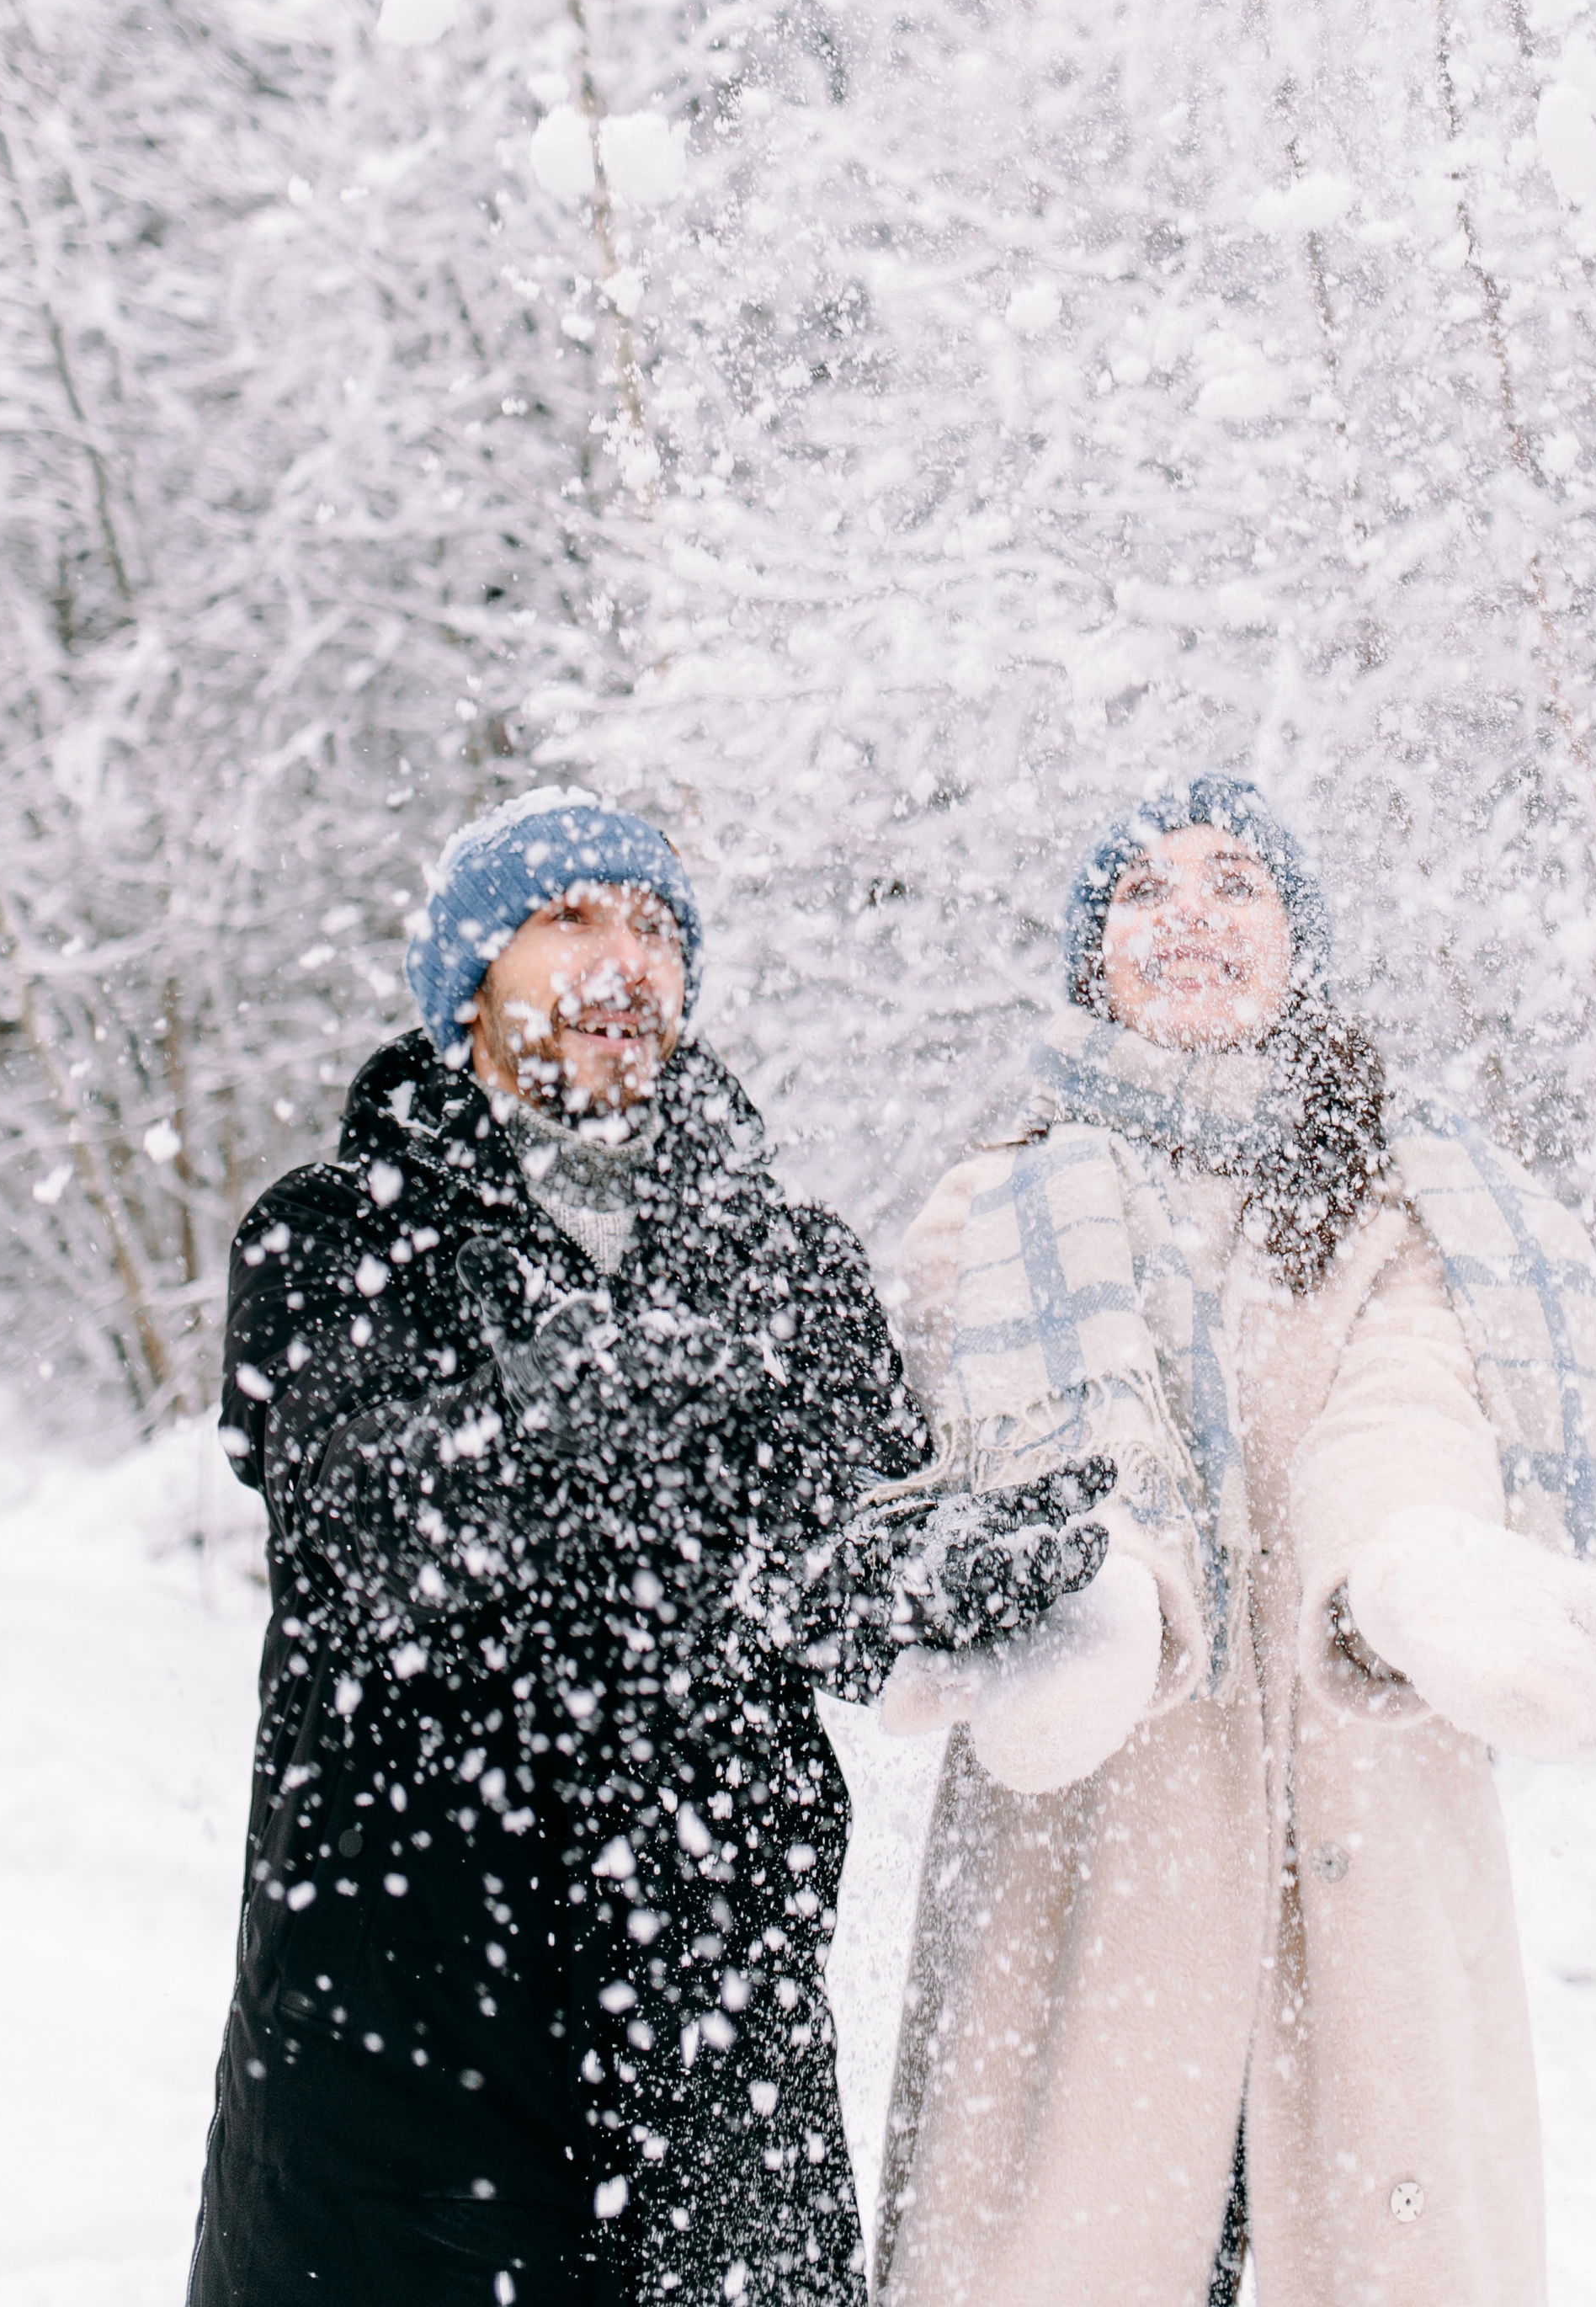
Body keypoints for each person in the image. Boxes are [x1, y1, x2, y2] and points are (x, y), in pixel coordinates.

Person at [189, 786, 1104, 2307]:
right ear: (470, 977)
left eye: (658, 927)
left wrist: (934, 1579)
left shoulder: (782, 1259)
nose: (627, 959)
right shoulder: (337, 1234)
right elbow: (373, 1519)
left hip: (716, 2036)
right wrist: (578, 1402)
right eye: (571, 920)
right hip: (405, 2028)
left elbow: (828, 1573)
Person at [870, 773, 1596, 2307]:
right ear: (1094, 962)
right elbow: (990, 1467)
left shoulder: (1408, 1211)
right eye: (1143, 891)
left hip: (1355, 1860)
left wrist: (1411, 1562)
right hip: (1093, 1868)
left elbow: (1406, 1411)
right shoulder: (990, 1212)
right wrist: (1094, 1585)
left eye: (1234, 882)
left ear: (1298, 945)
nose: (1190, 915)